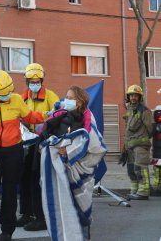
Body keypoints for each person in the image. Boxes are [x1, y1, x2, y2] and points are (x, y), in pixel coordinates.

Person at [0, 70, 47, 241]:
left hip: (14, 152)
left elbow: (30, 116)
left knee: (9, 193)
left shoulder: (16, 99)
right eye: (4, 93)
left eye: (9, 91)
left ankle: (7, 231)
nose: (8, 95)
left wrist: (49, 115)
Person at [39, 85, 106, 241]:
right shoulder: (59, 115)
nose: (66, 100)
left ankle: (81, 237)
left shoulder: (88, 117)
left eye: (70, 98)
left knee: (81, 209)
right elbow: (47, 135)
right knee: (63, 207)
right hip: (61, 170)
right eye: (66, 97)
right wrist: (55, 146)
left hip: (80, 171)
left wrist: (70, 151)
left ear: (80, 101)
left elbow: (96, 145)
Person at [17, 63, 59, 231]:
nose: (35, 83)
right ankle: (26, 214)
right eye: (31, 80)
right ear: (27, 81)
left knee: (37, 180)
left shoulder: (50, 96)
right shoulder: (22, 98)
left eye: (37, 80)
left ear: (41, 80)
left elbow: (59, 116)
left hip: (42, 144)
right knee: (24, 179)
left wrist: (46, 126)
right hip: (26, 143)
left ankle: (40, 217)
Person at [123, 85, 153, 200]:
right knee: (131, 170)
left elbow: (150, 129)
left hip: (140, 146)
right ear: (128, 97)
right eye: (131, 95)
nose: (133, 98)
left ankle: (143, 192)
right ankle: (134, 190)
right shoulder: (129, 109)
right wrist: (125, 145)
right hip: (130, 145)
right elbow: (127, 129)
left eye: (135, 95)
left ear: (140, 97)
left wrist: (143, 140)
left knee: (140, 168)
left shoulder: (145, 111)